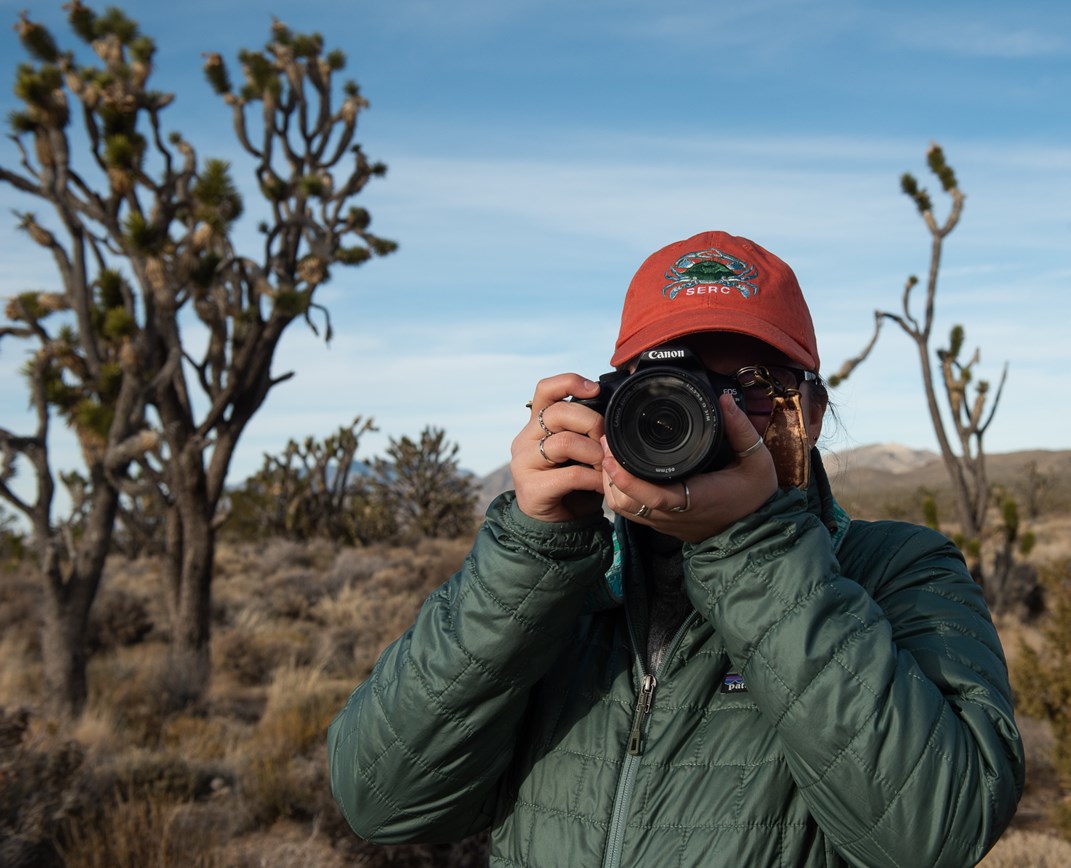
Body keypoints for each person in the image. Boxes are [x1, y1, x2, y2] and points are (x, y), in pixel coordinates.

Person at [328, 231, 1025, 867]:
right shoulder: (567, 582)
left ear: (811, 415)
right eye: (674, 389)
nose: (713, 417)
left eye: (753, 388)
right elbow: (382, 800)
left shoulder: (898, 570)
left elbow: (936, 835)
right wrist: (535, 550)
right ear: (613, 404)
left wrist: (753, 547)